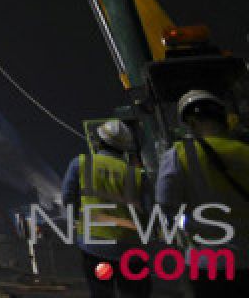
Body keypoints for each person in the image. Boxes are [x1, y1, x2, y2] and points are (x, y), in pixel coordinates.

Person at [156, 90, 249, 295]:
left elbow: (166, 205)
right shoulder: (244, 151)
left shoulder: (179, 155)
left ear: (191, 122)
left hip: (208, 263)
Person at [61, 119, 151, 297]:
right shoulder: (136, 175)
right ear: (124, 148)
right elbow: (147, 211)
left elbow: (68, 198)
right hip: (129, 247)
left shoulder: (81, 164)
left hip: (94, 246)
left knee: (102, 293)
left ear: (98, 141)